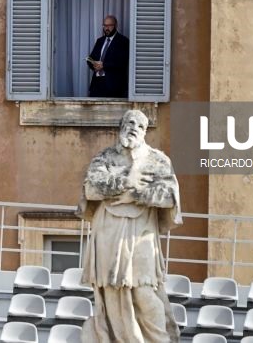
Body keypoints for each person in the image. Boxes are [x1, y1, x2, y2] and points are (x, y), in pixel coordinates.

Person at [78, 109, 182, 342]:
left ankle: (160, 339)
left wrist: (135, 195)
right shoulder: (104, 158)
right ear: (121, 127)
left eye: (140, 125)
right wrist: (127, 180)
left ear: (145, 132)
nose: (134, 128)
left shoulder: (158, 160)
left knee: (145, 291)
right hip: (108, 232)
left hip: (142, 232)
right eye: (130, 122)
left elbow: (169, 196)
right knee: (112, 290)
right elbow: (91, 189)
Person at [86, 15, 129, 98]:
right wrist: (94, 65)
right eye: (105, 25)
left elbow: (122, 62)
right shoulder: (100, 41)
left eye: (109, 25)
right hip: (97, 85)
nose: (106, 28)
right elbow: (91, 57)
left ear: (115, 26)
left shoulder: (123, 41)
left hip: (114, 86)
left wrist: (103, 65)